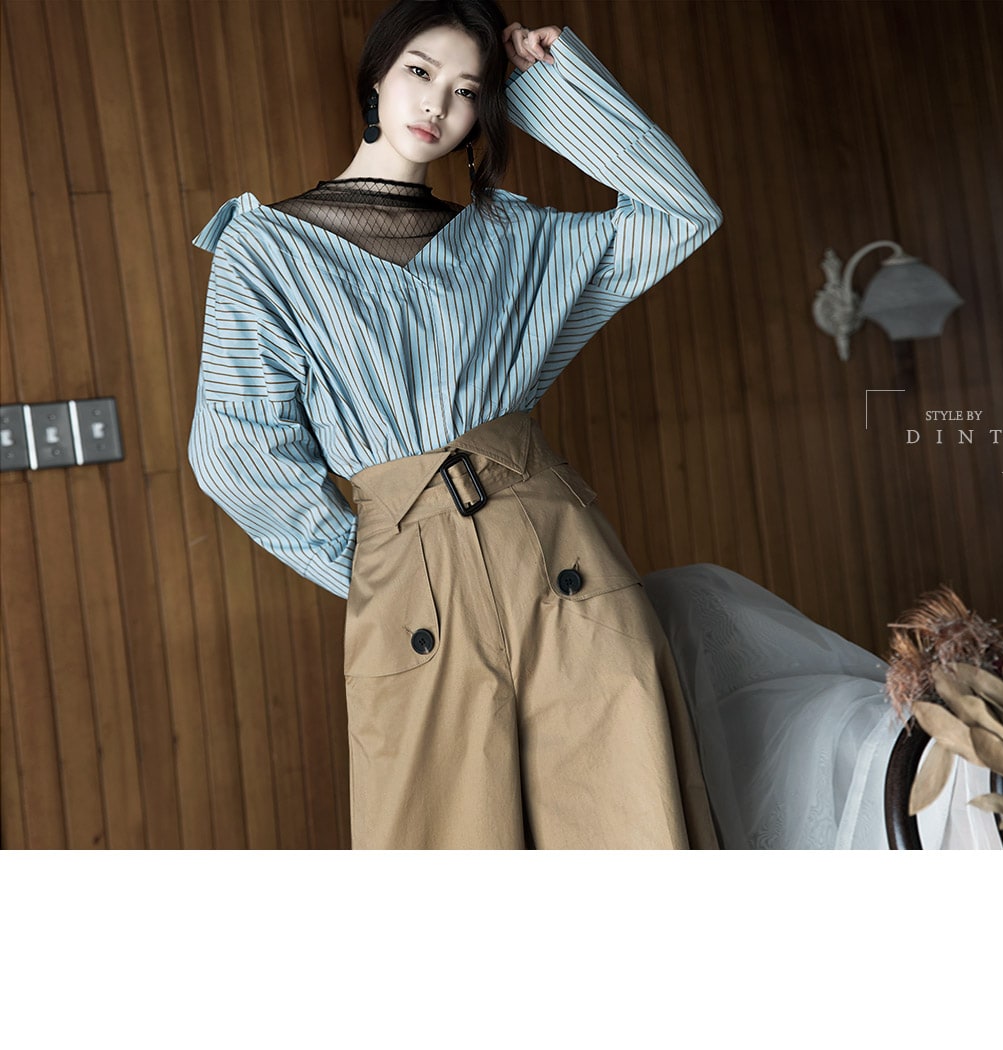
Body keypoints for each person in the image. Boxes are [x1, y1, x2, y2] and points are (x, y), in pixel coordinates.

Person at [189, 0, 722, 849]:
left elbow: (679, 217)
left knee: (626, 825)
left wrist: (552, 85)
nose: (438, 103)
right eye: (420, 70)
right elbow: (235, 452)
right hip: (413, 594)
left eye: (470, 89)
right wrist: (378, 566)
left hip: (559, 562)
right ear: (377, 73)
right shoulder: (268, 250)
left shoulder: (510, 238)